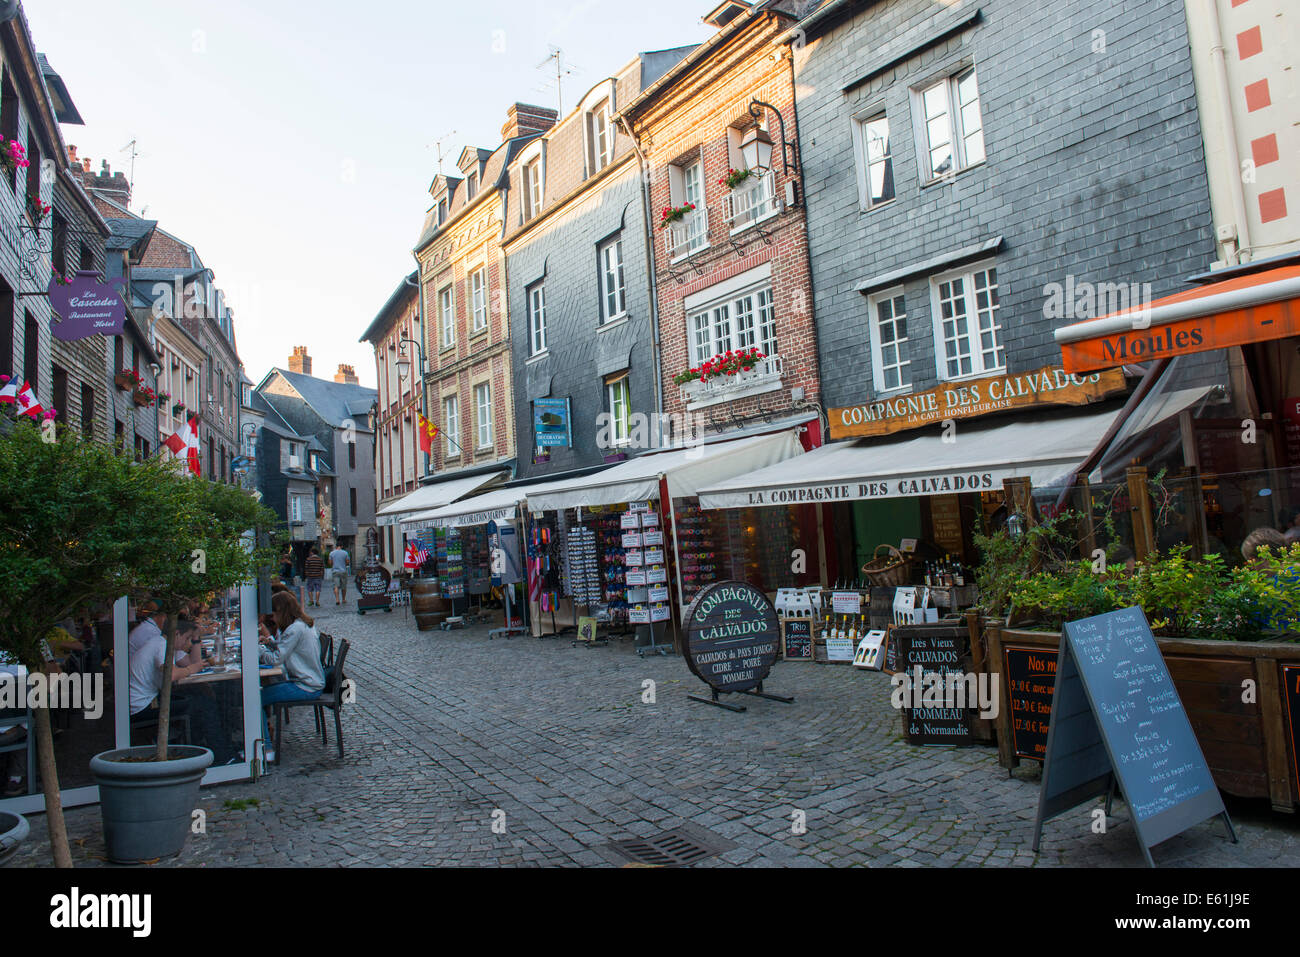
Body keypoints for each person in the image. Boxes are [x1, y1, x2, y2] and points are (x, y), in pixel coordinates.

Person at [127, 603, 235, 764]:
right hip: (142, 707)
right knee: (204, 704)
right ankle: (220, 755)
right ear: (176, 634)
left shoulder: (166, 643)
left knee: (201, 695)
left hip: (150, 700)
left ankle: (213, 747)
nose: (189, 643)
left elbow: (193, 662)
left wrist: (197, 638)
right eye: (187, 638)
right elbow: (173, 674)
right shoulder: (160, 645)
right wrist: (193, 667)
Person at [259, 591, 326, 762]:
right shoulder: (301, 625)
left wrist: (257, 649)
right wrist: (271, 643)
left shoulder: (294, 629)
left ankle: (265, 748)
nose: (272, 619)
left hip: (305, 685)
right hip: (310, 681)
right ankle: (265, 741)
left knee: (254, 699)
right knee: (261, 693)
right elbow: (287, 650)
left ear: (280, 611)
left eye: (273, 614)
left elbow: (276, 659)